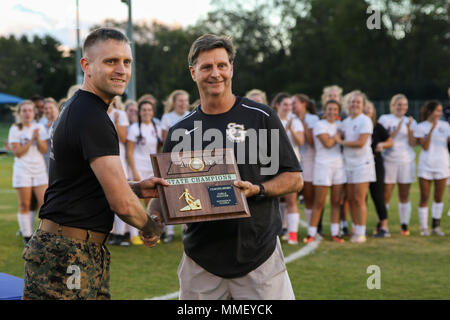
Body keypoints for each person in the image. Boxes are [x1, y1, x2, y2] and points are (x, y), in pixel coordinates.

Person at [148, 34, 303, 300]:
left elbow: (294, 178)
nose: (215, 73)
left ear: (231, 68)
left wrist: (258, 189)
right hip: (201, 260)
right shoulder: (180, 130)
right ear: (193, 72)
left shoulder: (261, 117)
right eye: (206, 66)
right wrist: (153, 219)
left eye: (221, 65)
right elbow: (166, 190)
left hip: (259, 256)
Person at [22, 28, 167, 300]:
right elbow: (121, 204)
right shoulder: (92, 117)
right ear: (86, 66)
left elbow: (82, 182)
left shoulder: (81, 108)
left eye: (127, 62)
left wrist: (134, 187)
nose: (122, 70)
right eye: (111, 61)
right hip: (68, 252)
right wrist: (151, 226)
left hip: (73, 248)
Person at [304, 100, 346, 243]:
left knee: (336, 201)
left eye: (335, 109)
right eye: (329, 109)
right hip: (322, 165)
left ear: (338, 111)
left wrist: (337, 137)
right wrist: (337, 137)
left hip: (339, 166)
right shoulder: (319, 125)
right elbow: (327, 143)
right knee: (319, 202)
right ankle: (311, 234)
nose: (332, 112)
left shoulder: (341, 125)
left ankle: (336, 233)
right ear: (325, 110)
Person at [336, 91, 375, 243]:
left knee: (359, 199)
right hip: (348, 164)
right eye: (352, 102)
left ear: (363, 105)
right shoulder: (345, 122)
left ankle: (361, 232)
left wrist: (341, 142)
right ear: (347, 104)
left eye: (358, 102)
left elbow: (360, 143)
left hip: (362, 164)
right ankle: (355, 228)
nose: (355, 105)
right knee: (351, 199)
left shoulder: (365, 120)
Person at [8, 100, 49, 244]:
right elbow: (18, 152)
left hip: (39, 170)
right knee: (24, 204)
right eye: (24, 111)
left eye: (30, 110)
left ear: (34, 113)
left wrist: (38, 137)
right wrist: (32, 139)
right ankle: (27, 236)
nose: (27, 113)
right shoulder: (15, 128)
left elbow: (44, 150)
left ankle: (43, 234)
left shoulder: (39, 127)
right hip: (22, 170)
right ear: (19, 113)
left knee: (44, 203)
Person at [378, 94, 417, 236]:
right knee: (386, 194)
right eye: (398, 104)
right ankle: (382, 224)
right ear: (393, 105)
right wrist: (398, 128)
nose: (401, 107)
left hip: (406, 161)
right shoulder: (385, 119)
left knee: (404, 194)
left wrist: (410, 130)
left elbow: (413, 144)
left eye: (404, 105)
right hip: (389, 160)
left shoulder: (411, 121)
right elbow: (385, 140)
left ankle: (404, 225)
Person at [126, 100, 162, 245]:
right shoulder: (134, 128)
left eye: (149, 110)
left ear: (153, 112)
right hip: (138, 166)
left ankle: (151, 231)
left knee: (151, 203)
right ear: (140, 112)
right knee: (136, 201)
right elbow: (129, 152)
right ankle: (134, 234)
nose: (147, 112)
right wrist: (134, 171)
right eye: (144, 110)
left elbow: (159, 150)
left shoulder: (157, 127)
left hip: (152, 167)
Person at [272, 92, 304, 245]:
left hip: (291, 164)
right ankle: (274, 233)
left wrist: (290, 129)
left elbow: (301, 142)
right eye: (285, 104)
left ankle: (292, 234)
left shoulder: (295, 122)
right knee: (273, 200)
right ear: (277, 105)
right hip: (273, 163)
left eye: (290, 105)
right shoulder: (271, 119)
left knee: (292, 200)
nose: (288, 108)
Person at [159, 89, 191, 243]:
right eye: (180, 100)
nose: (183, 103)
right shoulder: (167, 117)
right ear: (174, 102)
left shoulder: (191, 115)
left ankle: (187, 227)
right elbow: (165, 140)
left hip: (188, 159)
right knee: (170, 193)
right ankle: (169, 230)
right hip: (171, 158)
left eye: (185, 100)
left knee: (188, 192)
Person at [414, 100, 449, 236]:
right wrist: (432, 129)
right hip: (425, 165)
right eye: (437, 111)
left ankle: (436, 226)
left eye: (440, 111)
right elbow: (425, 146)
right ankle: (424, 228)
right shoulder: (421, 126)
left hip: (442, 164)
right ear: (430, 111)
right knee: (424, 197)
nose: (439, 114)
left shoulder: (446, 125)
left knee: (438, 197)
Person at [363, 101, 393, 238]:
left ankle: (384, 226)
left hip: (376, 164)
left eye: (369, 108)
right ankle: (359, 227)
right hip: (360, 165)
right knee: (360, 197)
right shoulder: (357, 125)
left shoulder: (377, 126)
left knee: (378, 196)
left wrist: (382, 144)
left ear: (374, 111)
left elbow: (390, 141)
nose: (367, 110)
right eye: (365, 108)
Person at [106, 96, 131, 247]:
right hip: (103, 161)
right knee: (105, 201)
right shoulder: (98, 112)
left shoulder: (120, 114)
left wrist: (114, 122)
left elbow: (123, 138)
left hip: (118, 160)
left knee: (120, 199)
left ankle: (120, 234)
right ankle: (110, 232)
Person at [292, 94, 319, 232]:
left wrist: (302, 124)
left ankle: (312, 229)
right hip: (296, 159)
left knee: (309, 195)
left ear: (304, 104)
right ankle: (287, 228)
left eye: (295, 103)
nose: (292, 106)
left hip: (309, 160)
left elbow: (311, 141)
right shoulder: (291, 118)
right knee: (291, 197)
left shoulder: (312, 119)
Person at [42, 97, 60, 171]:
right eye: (46, 108)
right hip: (43, 165)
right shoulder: (41, 126)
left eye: (51, 108)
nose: (48, 110)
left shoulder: (61, 124)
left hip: (58, 164)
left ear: (56, 108)